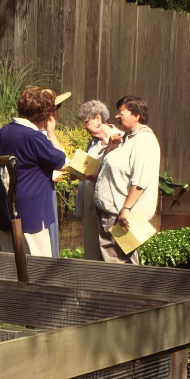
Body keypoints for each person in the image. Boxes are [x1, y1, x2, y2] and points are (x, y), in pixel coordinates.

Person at [0, 87, 70, 258]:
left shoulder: (3, 132)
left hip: (4, 210)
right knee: (38, 268)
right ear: (47, 114)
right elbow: (62, 162)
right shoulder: (33, 137)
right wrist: (51, 133)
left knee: (10, 269)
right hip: (32, 214)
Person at [93, 95, 160, 264]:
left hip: (120, 216)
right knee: (111, 263)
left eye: (121, 112)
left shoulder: (144, 141)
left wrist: (126, 209)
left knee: (121, 264)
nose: (117, 116)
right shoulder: (127, 138)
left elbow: (140, 181)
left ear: (136, 115)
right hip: (110, 213)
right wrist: (111, 147)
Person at [74, 100, 122, 261]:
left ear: (98, 118)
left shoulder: (121, 140)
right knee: (91, 248)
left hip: (109, 206)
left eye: (87, 122)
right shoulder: (93, 144)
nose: (85, 127)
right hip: (89, 204)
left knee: (111, 252)